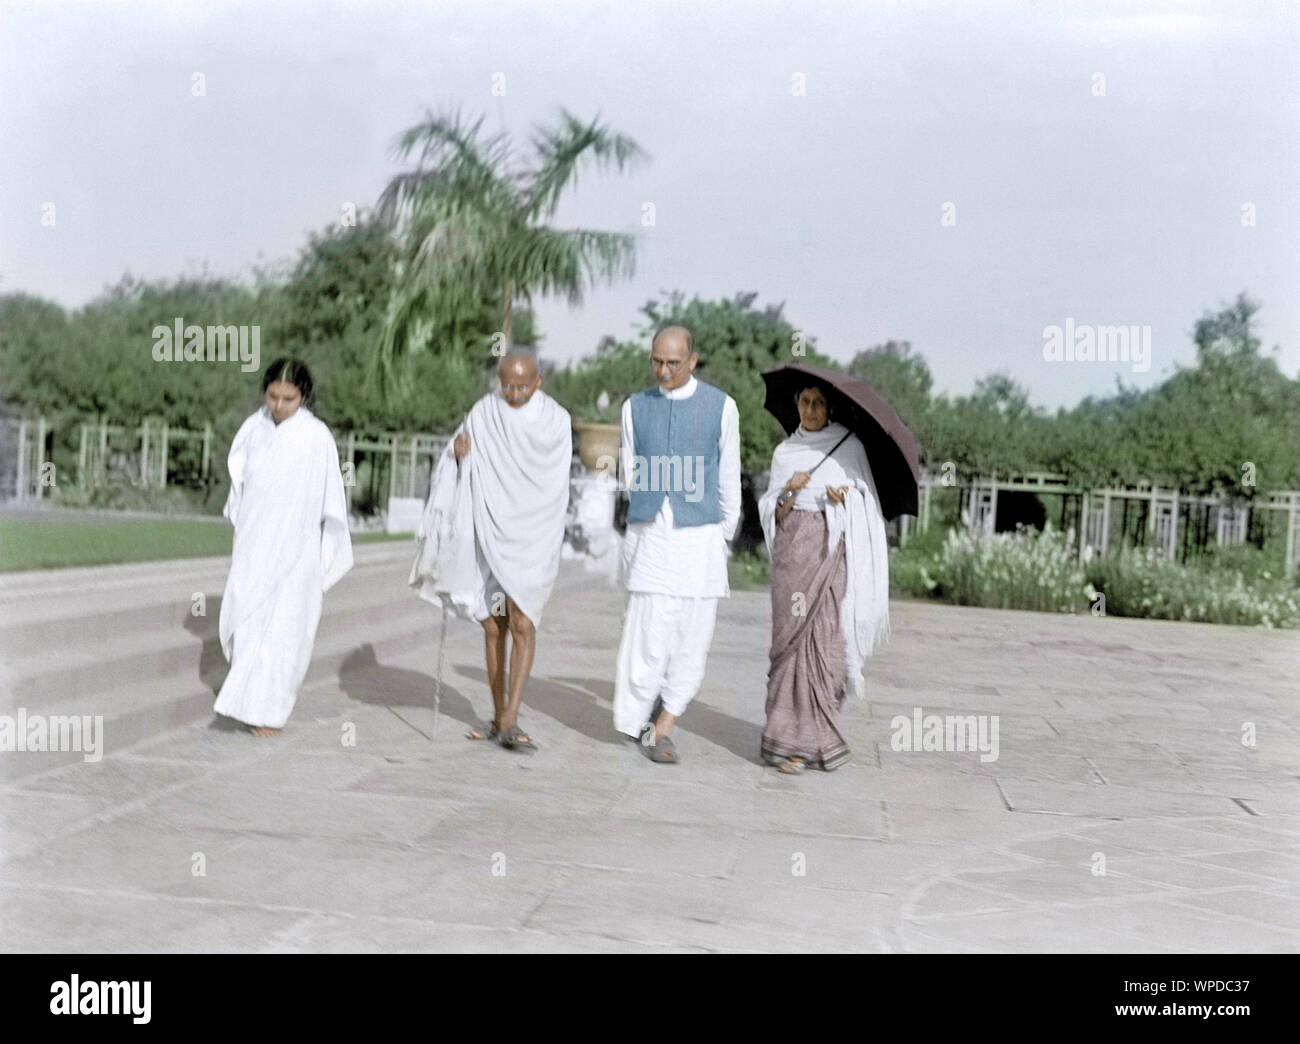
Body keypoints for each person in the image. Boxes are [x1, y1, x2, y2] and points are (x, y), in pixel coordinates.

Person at [410, 349, 571, 751]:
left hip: (533, 534)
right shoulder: (483, 412)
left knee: (523, 621)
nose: (514, 394)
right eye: (507, 386)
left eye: (522, 386)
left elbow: (553, 482)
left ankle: (511, 718)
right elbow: (458, 461)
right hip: (489, 527)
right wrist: (458, 456)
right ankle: (498, 715)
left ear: (539, 382)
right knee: (493, 622)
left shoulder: (557, 420)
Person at [612, 325, 741, 763]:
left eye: (672, 363)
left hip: (699, 539)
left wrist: (720, 536)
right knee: (647, 633)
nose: (663, 371)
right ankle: (637, 719)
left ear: (693, 361)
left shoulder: (722, 408)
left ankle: (663, 724)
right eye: (656, 361)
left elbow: (728, 478)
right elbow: (630, 473)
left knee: (690, 637)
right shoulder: (634, 407)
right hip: (650, 536)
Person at [214, 358, 354, 736]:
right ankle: (247, 703)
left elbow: (328, 501)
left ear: (303, 396)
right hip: (254, 546)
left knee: (285, 632)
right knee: (248, 622)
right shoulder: (252, 429)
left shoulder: (316, 436)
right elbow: (240, 487)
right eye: (273, 396)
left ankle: (270, 713)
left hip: (297, 554)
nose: (278, 405)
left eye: (288, 398)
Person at [756, 385, 890, 772]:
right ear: (796, 404)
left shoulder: (849, 447)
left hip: (831, 555)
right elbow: (773, 512)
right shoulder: (785, 453)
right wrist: (787, 493)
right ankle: (789, 744)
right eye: (804, 402)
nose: (811, 409)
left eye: (818, 403)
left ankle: (822, 737)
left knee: (828, 643)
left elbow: (867, 501)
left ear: (829, 407)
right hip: (793, 557)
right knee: (790, 645)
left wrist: (845, 498)